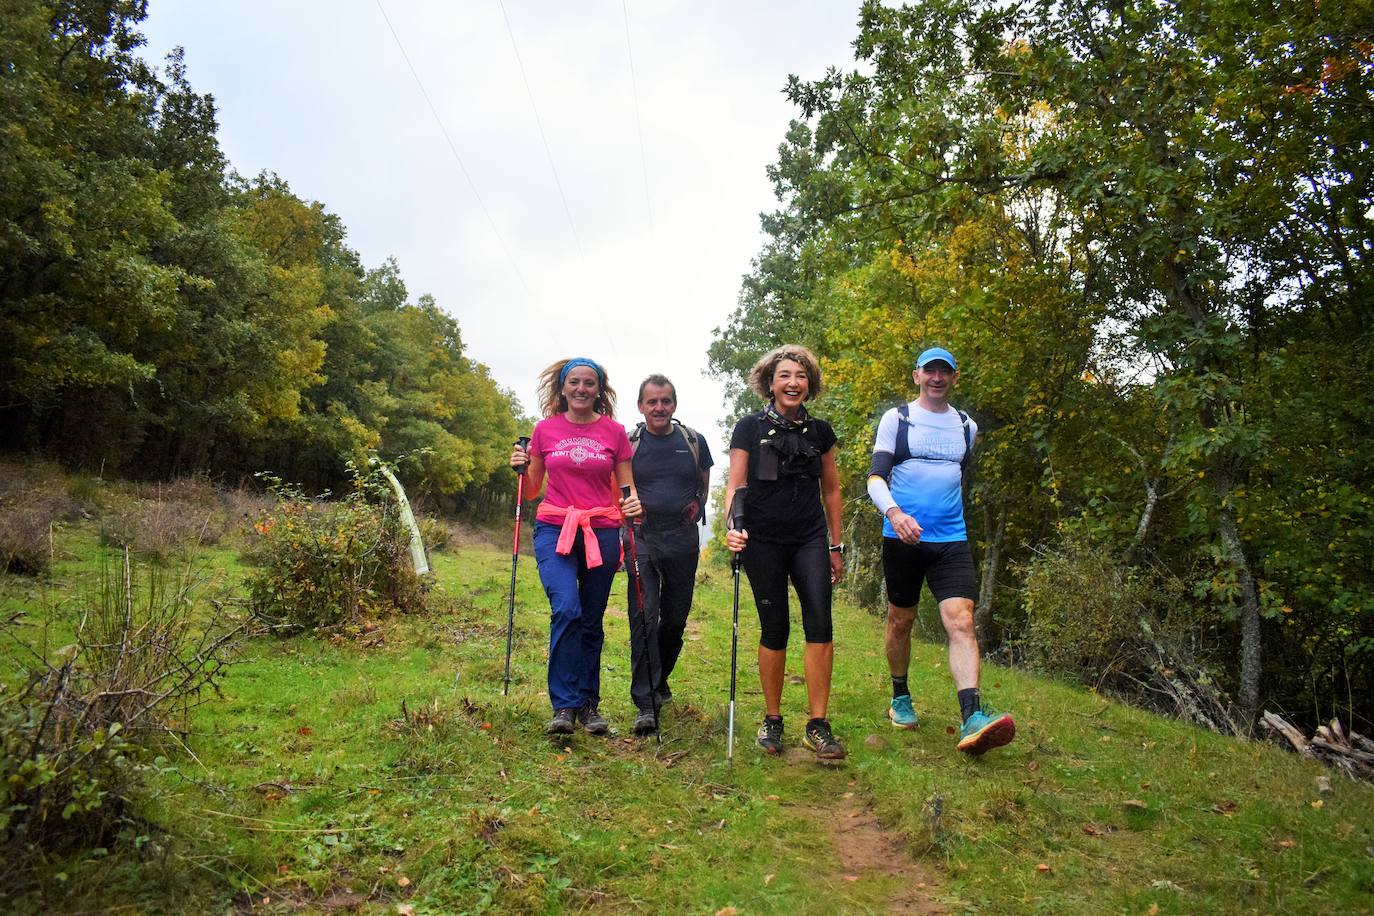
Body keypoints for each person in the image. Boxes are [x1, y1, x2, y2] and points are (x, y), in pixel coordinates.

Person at [866, 346, 1015, 754]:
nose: (937, 377)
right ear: (917, 376)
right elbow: (875, 478)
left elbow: (955, 477)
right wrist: (895, 514)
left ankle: (972, 716)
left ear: (954, 377)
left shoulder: (967, 426)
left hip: (951, 540)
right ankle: (900, 696)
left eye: (944, 372)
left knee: (961, 620)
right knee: (901, 620)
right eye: (929, 371)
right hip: (901, 539)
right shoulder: (898, 420)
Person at [724, 345, 846, 760]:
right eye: (785, 376)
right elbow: (734, 486)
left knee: (820, 622)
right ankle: (772, 720)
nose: (793, 382)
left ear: (809, 383)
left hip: (810, 537)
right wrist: (733, 528)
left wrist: (836, 544)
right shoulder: (747, 427)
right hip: (762, 540)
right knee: (774, 627)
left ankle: (818, 724)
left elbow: (831, 489)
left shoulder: (821, 432)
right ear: (770, 383)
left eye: (801, 376)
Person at [510, 358, 641, 736]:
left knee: (590, 619)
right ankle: (564, 706)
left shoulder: (614, 432)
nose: (581, 389)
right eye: (574, 382)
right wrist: (519, 465)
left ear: (599, 389)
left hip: (601, 531)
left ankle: (588, 705)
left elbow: (626, 489)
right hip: (555, 528)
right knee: (566, 607)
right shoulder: (545, 430)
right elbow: (531, 490)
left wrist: (632, 505)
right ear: (562, 388)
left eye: (589, 383)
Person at [624, 375, 714, 736]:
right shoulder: (630, 443)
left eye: (665, 401)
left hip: (681, 539)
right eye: (652, 402)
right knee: (643, 616)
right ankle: (646, 702)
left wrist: (697, 506)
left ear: (674, 405)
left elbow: (703, 483)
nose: (659, 408)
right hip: (641, 537)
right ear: (641, 406)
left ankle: (658, 680)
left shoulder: (693, 441)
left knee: (675, 619)